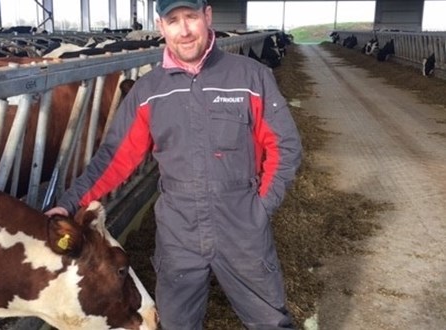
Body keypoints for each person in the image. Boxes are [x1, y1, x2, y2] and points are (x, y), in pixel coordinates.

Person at [45, 0, 302, 329]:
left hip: (243, 226)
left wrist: (261, 207)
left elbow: (285, 146)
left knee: (271, 322)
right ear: (161, 26)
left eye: (192, 18)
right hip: (178, 232)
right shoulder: (149, 91)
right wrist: (68, 204)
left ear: (207, 17)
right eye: (173, 20)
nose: (184, 30)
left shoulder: (250, 76)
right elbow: (113, 159)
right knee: (177, 324)